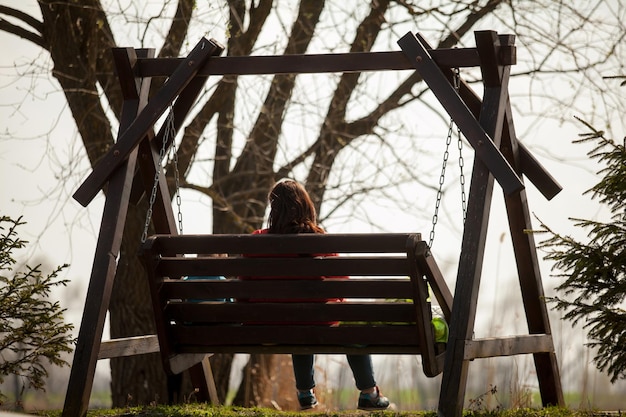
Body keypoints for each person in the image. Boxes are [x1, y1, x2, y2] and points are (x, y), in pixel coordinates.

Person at [245, 179, 390, 411]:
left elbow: (244, 287)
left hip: (265, 327)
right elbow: (342, 287)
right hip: (315, 323)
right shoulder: (320, 241)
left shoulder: (256, 241)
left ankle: (305, 393)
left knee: (297, 320)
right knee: (338, 324)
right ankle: (369, 394)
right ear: (306, 207)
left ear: (273, 209)